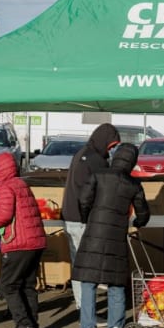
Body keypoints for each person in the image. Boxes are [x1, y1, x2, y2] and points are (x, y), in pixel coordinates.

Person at [71, 143, 150, 328]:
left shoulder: (98, 175)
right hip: (117, 236)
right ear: (132, 162)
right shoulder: (133, 184)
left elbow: (83, 200)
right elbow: (143, 212)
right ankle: (116, 327)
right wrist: (138, 223)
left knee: (88, 281)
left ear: (115, 157)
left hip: (94, 234)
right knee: (116, 282)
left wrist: (86, 218)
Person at [0, 152, 47, 328]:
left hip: (18, 243)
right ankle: (33, 325)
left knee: (9, 284)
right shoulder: (21, 184)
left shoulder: (4, 187)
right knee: (28, 285)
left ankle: (23, 324)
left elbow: (4, 215)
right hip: (36, 241)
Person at [62, 123, 120, 310]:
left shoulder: (81, 154)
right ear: (104, 142)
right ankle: (87, 312)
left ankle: (84, 308)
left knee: (79, 265)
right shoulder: (96, 161)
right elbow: (94, 194)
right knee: (87, 268)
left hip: (71, 217)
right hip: (82, 220)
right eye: (111, 146)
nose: (112, 150)